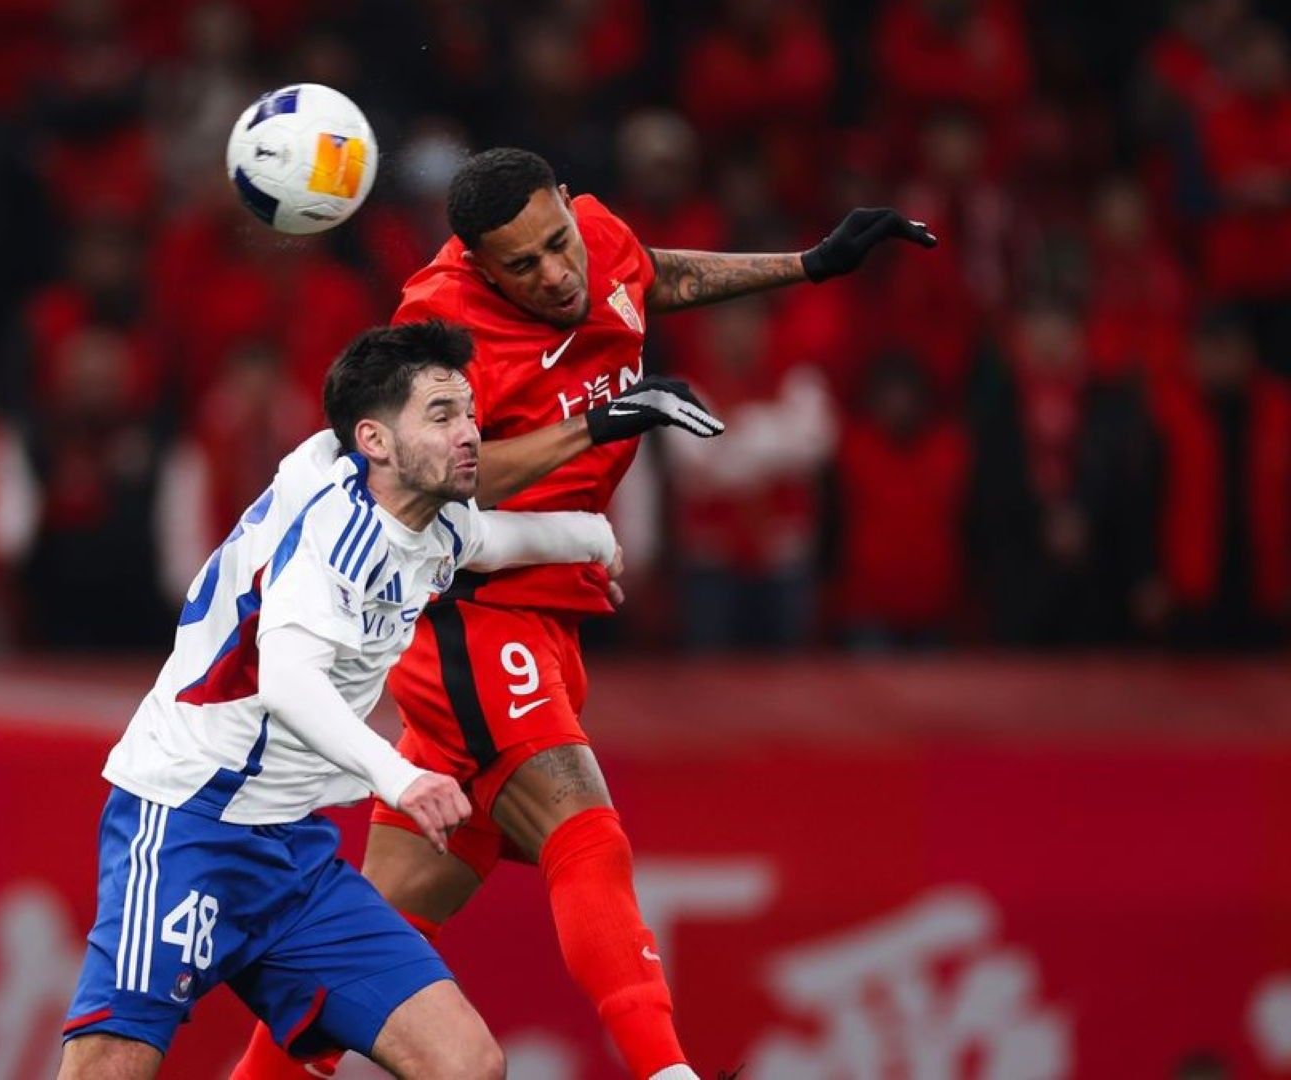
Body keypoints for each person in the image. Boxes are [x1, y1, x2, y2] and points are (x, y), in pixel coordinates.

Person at [234, 148, 934, 1080]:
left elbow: (649, 278)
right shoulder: (438, 324)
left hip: (547, 610)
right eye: (523, 266)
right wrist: (598, 429)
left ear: (569, 207)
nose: (557, 274)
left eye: (558, 242)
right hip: (470, 616)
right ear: (480, 265)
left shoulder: (599, 240)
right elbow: (433, 477)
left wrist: (805, 264)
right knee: (584, 831)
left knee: (357, 955)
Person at [59, 320, 626, 1079]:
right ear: (376, 440)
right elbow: (290, 679)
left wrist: (591, 537)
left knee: (466, 1065)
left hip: (294, 854)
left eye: (468, 410)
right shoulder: (337, 538)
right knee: (108, 1064)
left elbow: (483, 541)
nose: (471, 433)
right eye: (442, 415)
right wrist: (402, 778)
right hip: (189, 821)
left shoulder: (426, 515)